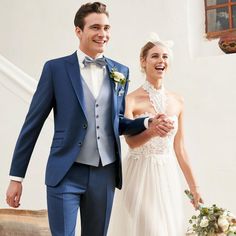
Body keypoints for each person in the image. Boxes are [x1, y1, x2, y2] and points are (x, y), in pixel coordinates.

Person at [5, 3, 172, 236]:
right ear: (78, 31)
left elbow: (117, 122)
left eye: (106, 28)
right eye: (95, 27)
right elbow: (32, 125)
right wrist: (16, 177)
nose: (102, 34)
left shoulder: (120, 71)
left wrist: (147, 123)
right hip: (65, 171)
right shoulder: (55, 69)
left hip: (104, 173)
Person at [109, 34, 203, 236]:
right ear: (143, 61)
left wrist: (194, 188)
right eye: (155, 56)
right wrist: (151, 131)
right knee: (153, 231)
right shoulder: (130, 100)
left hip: (166, 175)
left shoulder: (178, 100)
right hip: (137, 174)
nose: (161, 61)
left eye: (165, 57)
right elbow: (131, 142)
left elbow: (180, 148)